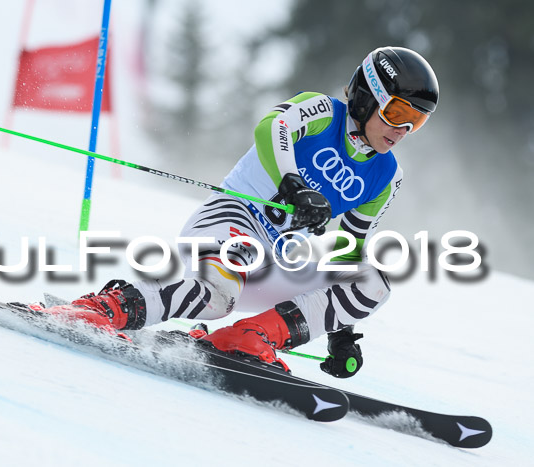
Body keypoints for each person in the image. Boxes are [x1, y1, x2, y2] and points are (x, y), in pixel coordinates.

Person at [44, 46, 439, 378]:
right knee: (217, 295)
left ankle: (249, 337)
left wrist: (341, 330)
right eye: (398, 112)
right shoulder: (322, 111)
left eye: (416, 121)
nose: (403, 129)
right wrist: (292, 184)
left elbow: (347, 250)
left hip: (273, 264)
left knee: (374, 281)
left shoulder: (386, 177)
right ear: (368, 96)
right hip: (230, 222)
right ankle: (102, 309)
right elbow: (271, 126)